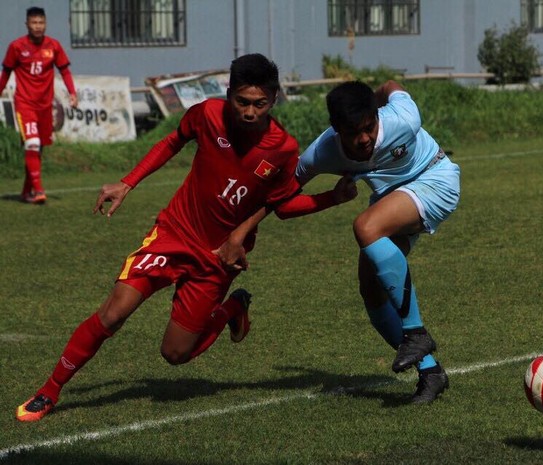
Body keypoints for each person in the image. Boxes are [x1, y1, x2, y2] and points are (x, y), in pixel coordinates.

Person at [15, 53, 357, 422]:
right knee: (114, 312)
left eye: (259, 104)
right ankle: (49, 392)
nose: (249, 112)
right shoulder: (207, 114)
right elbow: (172, 141)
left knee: (175, 354)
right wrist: (127, 182)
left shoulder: (284, 150)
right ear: (228, 95)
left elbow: (282, 206)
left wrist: (331, 198)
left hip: (218, 256)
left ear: (273, 100)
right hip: (173, 235)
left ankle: (231, 309)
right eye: (242, 102)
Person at [295, 80, 461, 403]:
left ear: (377, 115)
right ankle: (431, 373)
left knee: (365, 227)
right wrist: (242, 230)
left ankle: (416, 334)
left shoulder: (403, 118)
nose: (365, 139)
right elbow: (285, 189)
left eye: (369, 127)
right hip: (392, 199)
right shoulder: (322, 152)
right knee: (370, 287)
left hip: (435, 178)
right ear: (336, 129)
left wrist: (374, 96)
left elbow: (390, 85)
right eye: (354, 133)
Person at [0, 6, 79, 204]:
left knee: (37, 148)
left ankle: (27, 192)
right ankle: (39, 190)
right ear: (27, 24)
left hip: (45, 106)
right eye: (34, 23)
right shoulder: (16, 47)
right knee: (32, 143)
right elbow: (6, 73)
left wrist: (72, 93)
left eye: (41, 22)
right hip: (25, 104)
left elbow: (65, 71)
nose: (37, 26)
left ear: (45, 24)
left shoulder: (53, 46)